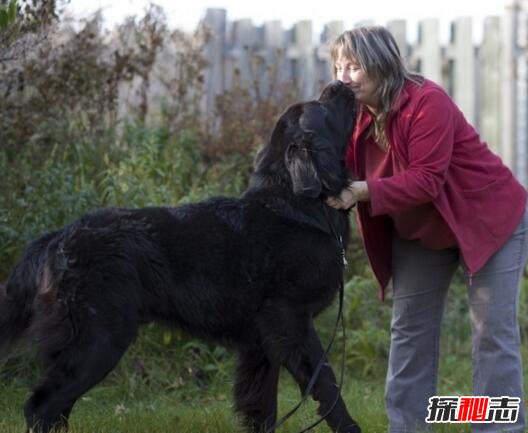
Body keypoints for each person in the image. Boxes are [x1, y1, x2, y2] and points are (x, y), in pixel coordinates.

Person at [326, 26, 527, 433]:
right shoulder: (353, 115)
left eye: (354, 66)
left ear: (380, 65)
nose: (342, 77)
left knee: (491, 333)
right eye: (338, 66)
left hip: (487, 220)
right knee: (409, 332)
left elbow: (426, 180)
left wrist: (359, 192)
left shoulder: (426, 102)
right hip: (421, 232)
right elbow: (338, 164)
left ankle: (497, 428)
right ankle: (409, 427)